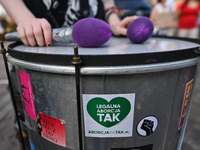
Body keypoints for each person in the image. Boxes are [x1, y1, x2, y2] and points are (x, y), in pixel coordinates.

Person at [0, 0, 138, 47]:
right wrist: (27, 21)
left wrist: (113, 22)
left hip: (97, 47)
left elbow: (107, 2)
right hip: (41, 58)